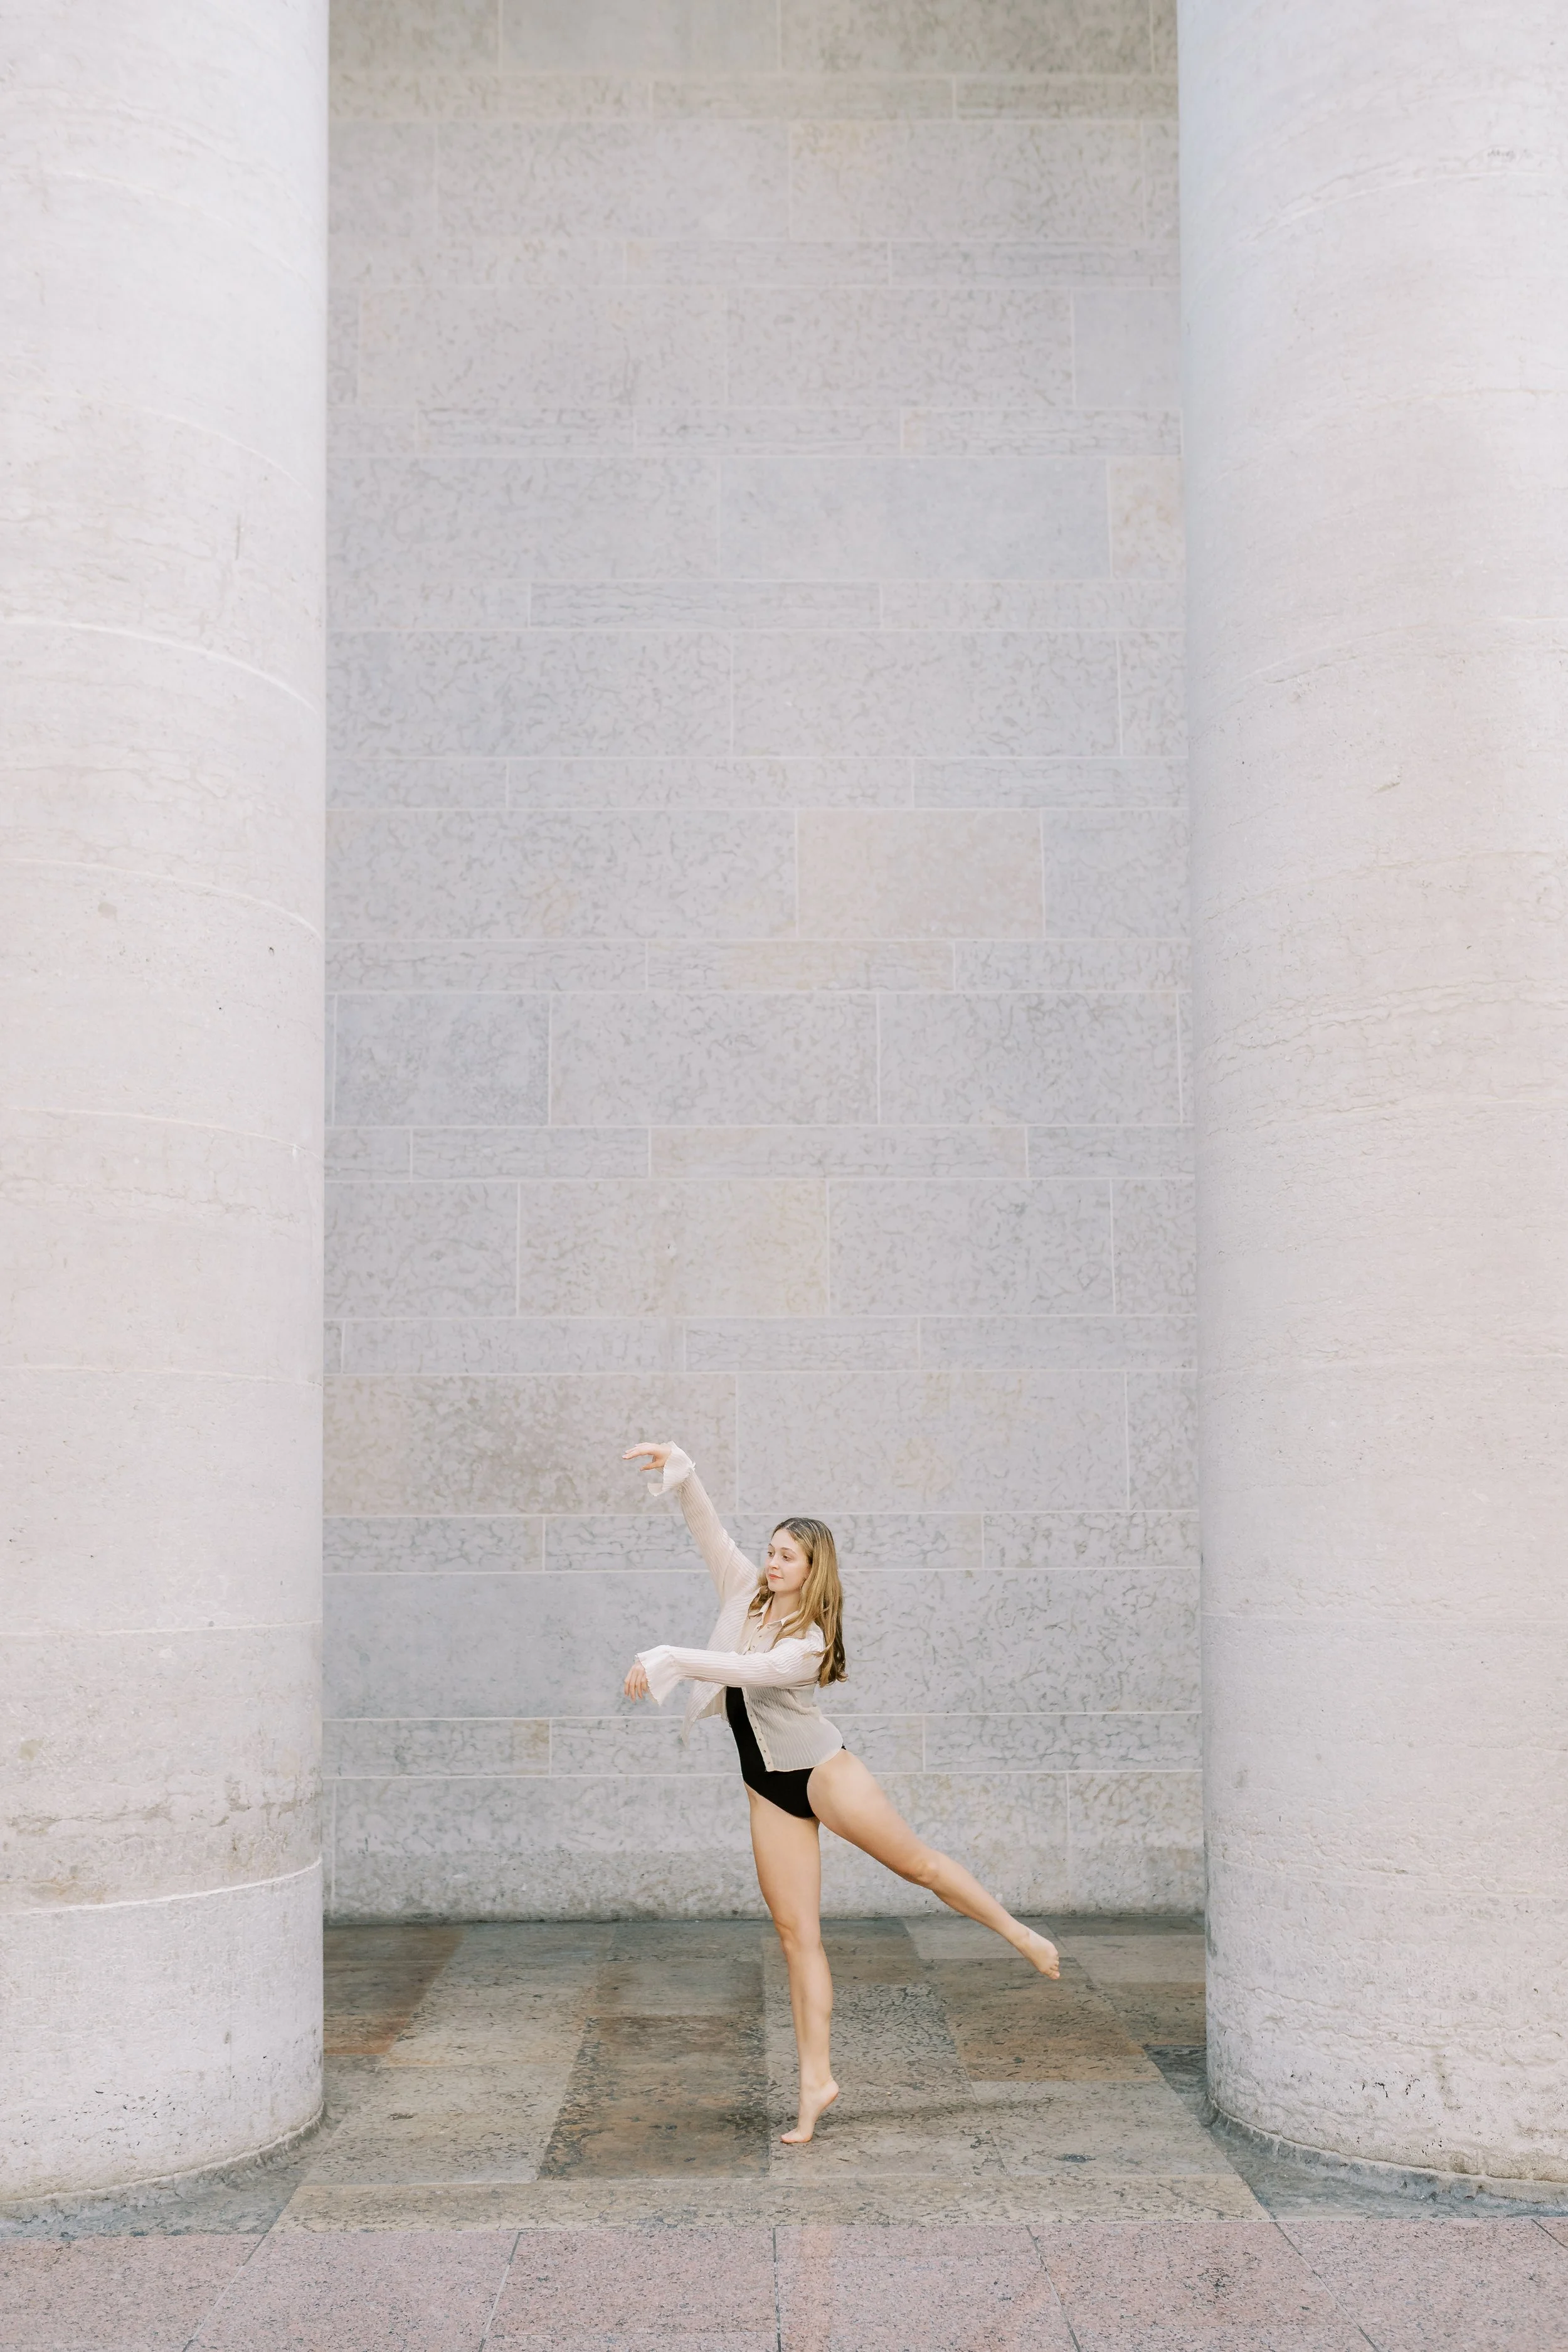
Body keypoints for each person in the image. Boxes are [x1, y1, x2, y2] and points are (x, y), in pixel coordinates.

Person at [620, 1440, 1061, 2146]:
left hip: (823, 1774)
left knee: (917, 1865)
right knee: (797, 1937)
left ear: (811, 1569)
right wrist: (684, 1471)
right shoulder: (743, 1589)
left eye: (786, 1556)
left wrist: (670, 1656)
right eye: (770, 1551)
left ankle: (1018, 1933)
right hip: (765, 1785)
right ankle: (816, 2082)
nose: (770, 1562)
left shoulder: (811, 1640)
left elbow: (749, 1669)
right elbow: (708, 1529)